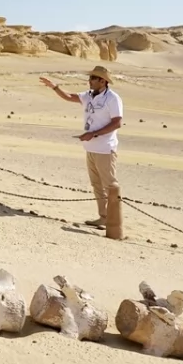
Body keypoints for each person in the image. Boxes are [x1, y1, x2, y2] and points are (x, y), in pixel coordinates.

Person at [39, 66, 124, 239]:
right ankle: (103, 217)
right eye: (90, 77)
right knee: (96, 185)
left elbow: (117, 123)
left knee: (110, 186)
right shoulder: (89, 95)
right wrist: (54, 87)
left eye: (94, 78)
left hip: (105, 149)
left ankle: (114, 223)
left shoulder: (112, 99)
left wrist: (93, 133)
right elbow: (69, 97)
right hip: (90, 148)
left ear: (103, 81)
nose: (90, 80)